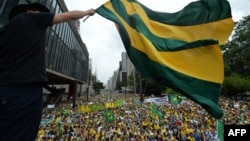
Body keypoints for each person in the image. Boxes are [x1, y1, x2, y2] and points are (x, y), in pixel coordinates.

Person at [0, 2, 95, 141]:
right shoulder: (31, 18)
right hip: (24, 93)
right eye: (39, 12)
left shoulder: (4, 31)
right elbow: (70, 15)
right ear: (30, 11)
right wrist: (87, 12)